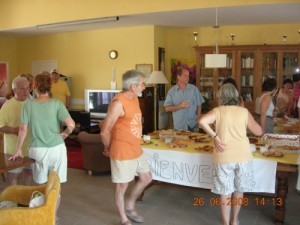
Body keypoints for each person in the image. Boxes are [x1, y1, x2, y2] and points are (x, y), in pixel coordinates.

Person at [199, 83, 263, 225]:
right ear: (236, 96)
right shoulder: (243, 112)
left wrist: (215, 137)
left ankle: (226, 222)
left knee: (225, 192)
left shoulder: (218, 111)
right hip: (243, 156)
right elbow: (259, 131)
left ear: (221, 96)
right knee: (239, 190)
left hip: (223, 156)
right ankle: (234, 221)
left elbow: (202, 121)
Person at [100, 69, 152, 225]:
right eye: (142, 84)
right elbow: (104, 131)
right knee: (122, 186)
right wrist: (108, 148)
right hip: (122, 150)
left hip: (136, 148)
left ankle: (130, 204)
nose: (144, 87)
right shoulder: (117, 103)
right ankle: (123, 219)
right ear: (133, 86)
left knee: (146, 178)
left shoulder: (134, 98)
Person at [10, 73, 75, 186]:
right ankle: (52, 204)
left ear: (34, 88)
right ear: (49, 87)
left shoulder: (28, 105)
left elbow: (23, 130)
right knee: (55, 185)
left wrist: (18, 149)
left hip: (38, 150)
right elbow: (71, 125)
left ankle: (43, 203)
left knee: (42, 185)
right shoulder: (57, 104)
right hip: (57, 148)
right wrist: (65, 133)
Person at [0, 76, 32, 185]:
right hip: (12, 150)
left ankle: (25, 198)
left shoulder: (34, 103)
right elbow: (0, 126)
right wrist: (14, 130)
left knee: (29, 173)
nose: (26, 91)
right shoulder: (7, 106)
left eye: (27, 88)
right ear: (14, 90)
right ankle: (13, 201)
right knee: (13, 175)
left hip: (31, 149)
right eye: (22, 88)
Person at [164, 67, 205, 131]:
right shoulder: (171, 92)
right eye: (185, 76)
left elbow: (199, 105)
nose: (187, 78)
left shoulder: (194, 89)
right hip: (179, 127)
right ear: (178, 77)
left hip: (193, 126)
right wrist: (180, 106)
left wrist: (198, 118)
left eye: (188, 76)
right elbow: (167, 108)